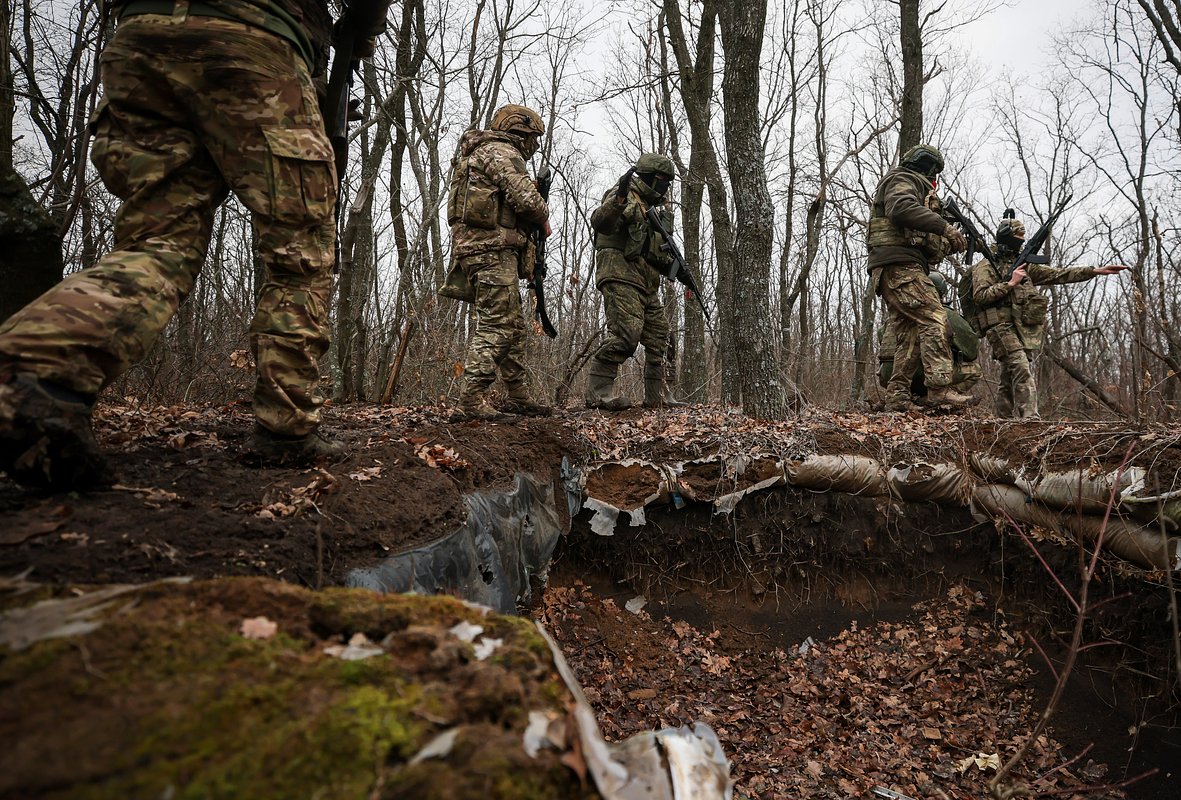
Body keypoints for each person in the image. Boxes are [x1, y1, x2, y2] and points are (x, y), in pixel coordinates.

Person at [0, 0, 386, 490]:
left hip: (139, 41)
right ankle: (287, 428)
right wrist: (359, 32)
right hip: (251, 43)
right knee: (300, 254)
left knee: (159, 244)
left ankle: (29, 369)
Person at [444, 103, 552, 421]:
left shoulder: (481, 151)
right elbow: (526, 199)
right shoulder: (500, 150)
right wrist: (543, 216)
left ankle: (518, 395)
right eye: (533, 138)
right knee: (499, 324)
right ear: (520, 133)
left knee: (515, 325)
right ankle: (470, 400)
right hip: (490, 250)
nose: (533, 146)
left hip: (484, 250)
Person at [966, 212, 1129, 418]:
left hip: (1020, 327)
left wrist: (1094, 271)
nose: (1021, 242)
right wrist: (1010, 283)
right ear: (1007, 238)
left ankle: (1002, 422)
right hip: (998, 326)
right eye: (1018, 238)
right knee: (1021, 367)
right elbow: (980, 296)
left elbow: (1058, 274)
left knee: (1009, 376)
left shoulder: (1023, 265)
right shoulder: (986, 266)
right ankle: (1031, 418)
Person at [866, 144, 975, 413]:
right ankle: (939, 390)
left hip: (896, 266)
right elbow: (900, 208)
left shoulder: (912, 186)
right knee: (936, 320)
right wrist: (944, 226)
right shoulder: (903, 179)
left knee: (910, 335)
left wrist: (950, 239)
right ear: (930, 169)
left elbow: (929, 247)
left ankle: (897, 397)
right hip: (899, 266)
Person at [585, 153, 684, 411]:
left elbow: (656, 254)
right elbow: (601, 222)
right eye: (662, 179)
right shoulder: (625, 194)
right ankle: (599, 392)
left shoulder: (658, 210)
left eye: (668, 181)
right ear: (650, 177)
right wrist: (618, 201)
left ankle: (658, 395)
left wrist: (679, 271)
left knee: (662, 337)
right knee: (626, 334)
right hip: (619, 274)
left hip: (646, 283)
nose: (666, 186)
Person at [878, 272, 981, 407]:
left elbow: (882, 339)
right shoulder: (943, 314)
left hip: (888, 377)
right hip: (923, 375)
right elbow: (971, 351)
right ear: (941, 291)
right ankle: (938, 396)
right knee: (975, 370)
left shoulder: (897, 315)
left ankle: (906, 398)